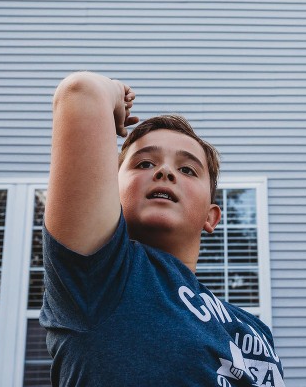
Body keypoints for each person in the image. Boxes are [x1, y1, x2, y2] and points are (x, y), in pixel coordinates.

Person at [40, 71, 286, 386]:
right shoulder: (100, 278)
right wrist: (116, 93)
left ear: (211, 217)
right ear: (110, 191)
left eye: (187, 169)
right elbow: (80, 92)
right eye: (144, 164)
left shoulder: (255, 329)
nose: (166, 171)